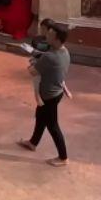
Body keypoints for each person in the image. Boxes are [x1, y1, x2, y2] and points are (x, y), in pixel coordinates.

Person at [16, 20, 70, 166]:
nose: (47, 37)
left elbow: (32, 72)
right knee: (40, 117)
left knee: (53, 126)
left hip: (49, 96)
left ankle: (63, 157)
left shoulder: (49, 57)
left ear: (58, 39)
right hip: (55, 92)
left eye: (51, 36)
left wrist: (33, 62)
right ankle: (33, 142)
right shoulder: (64, 52)